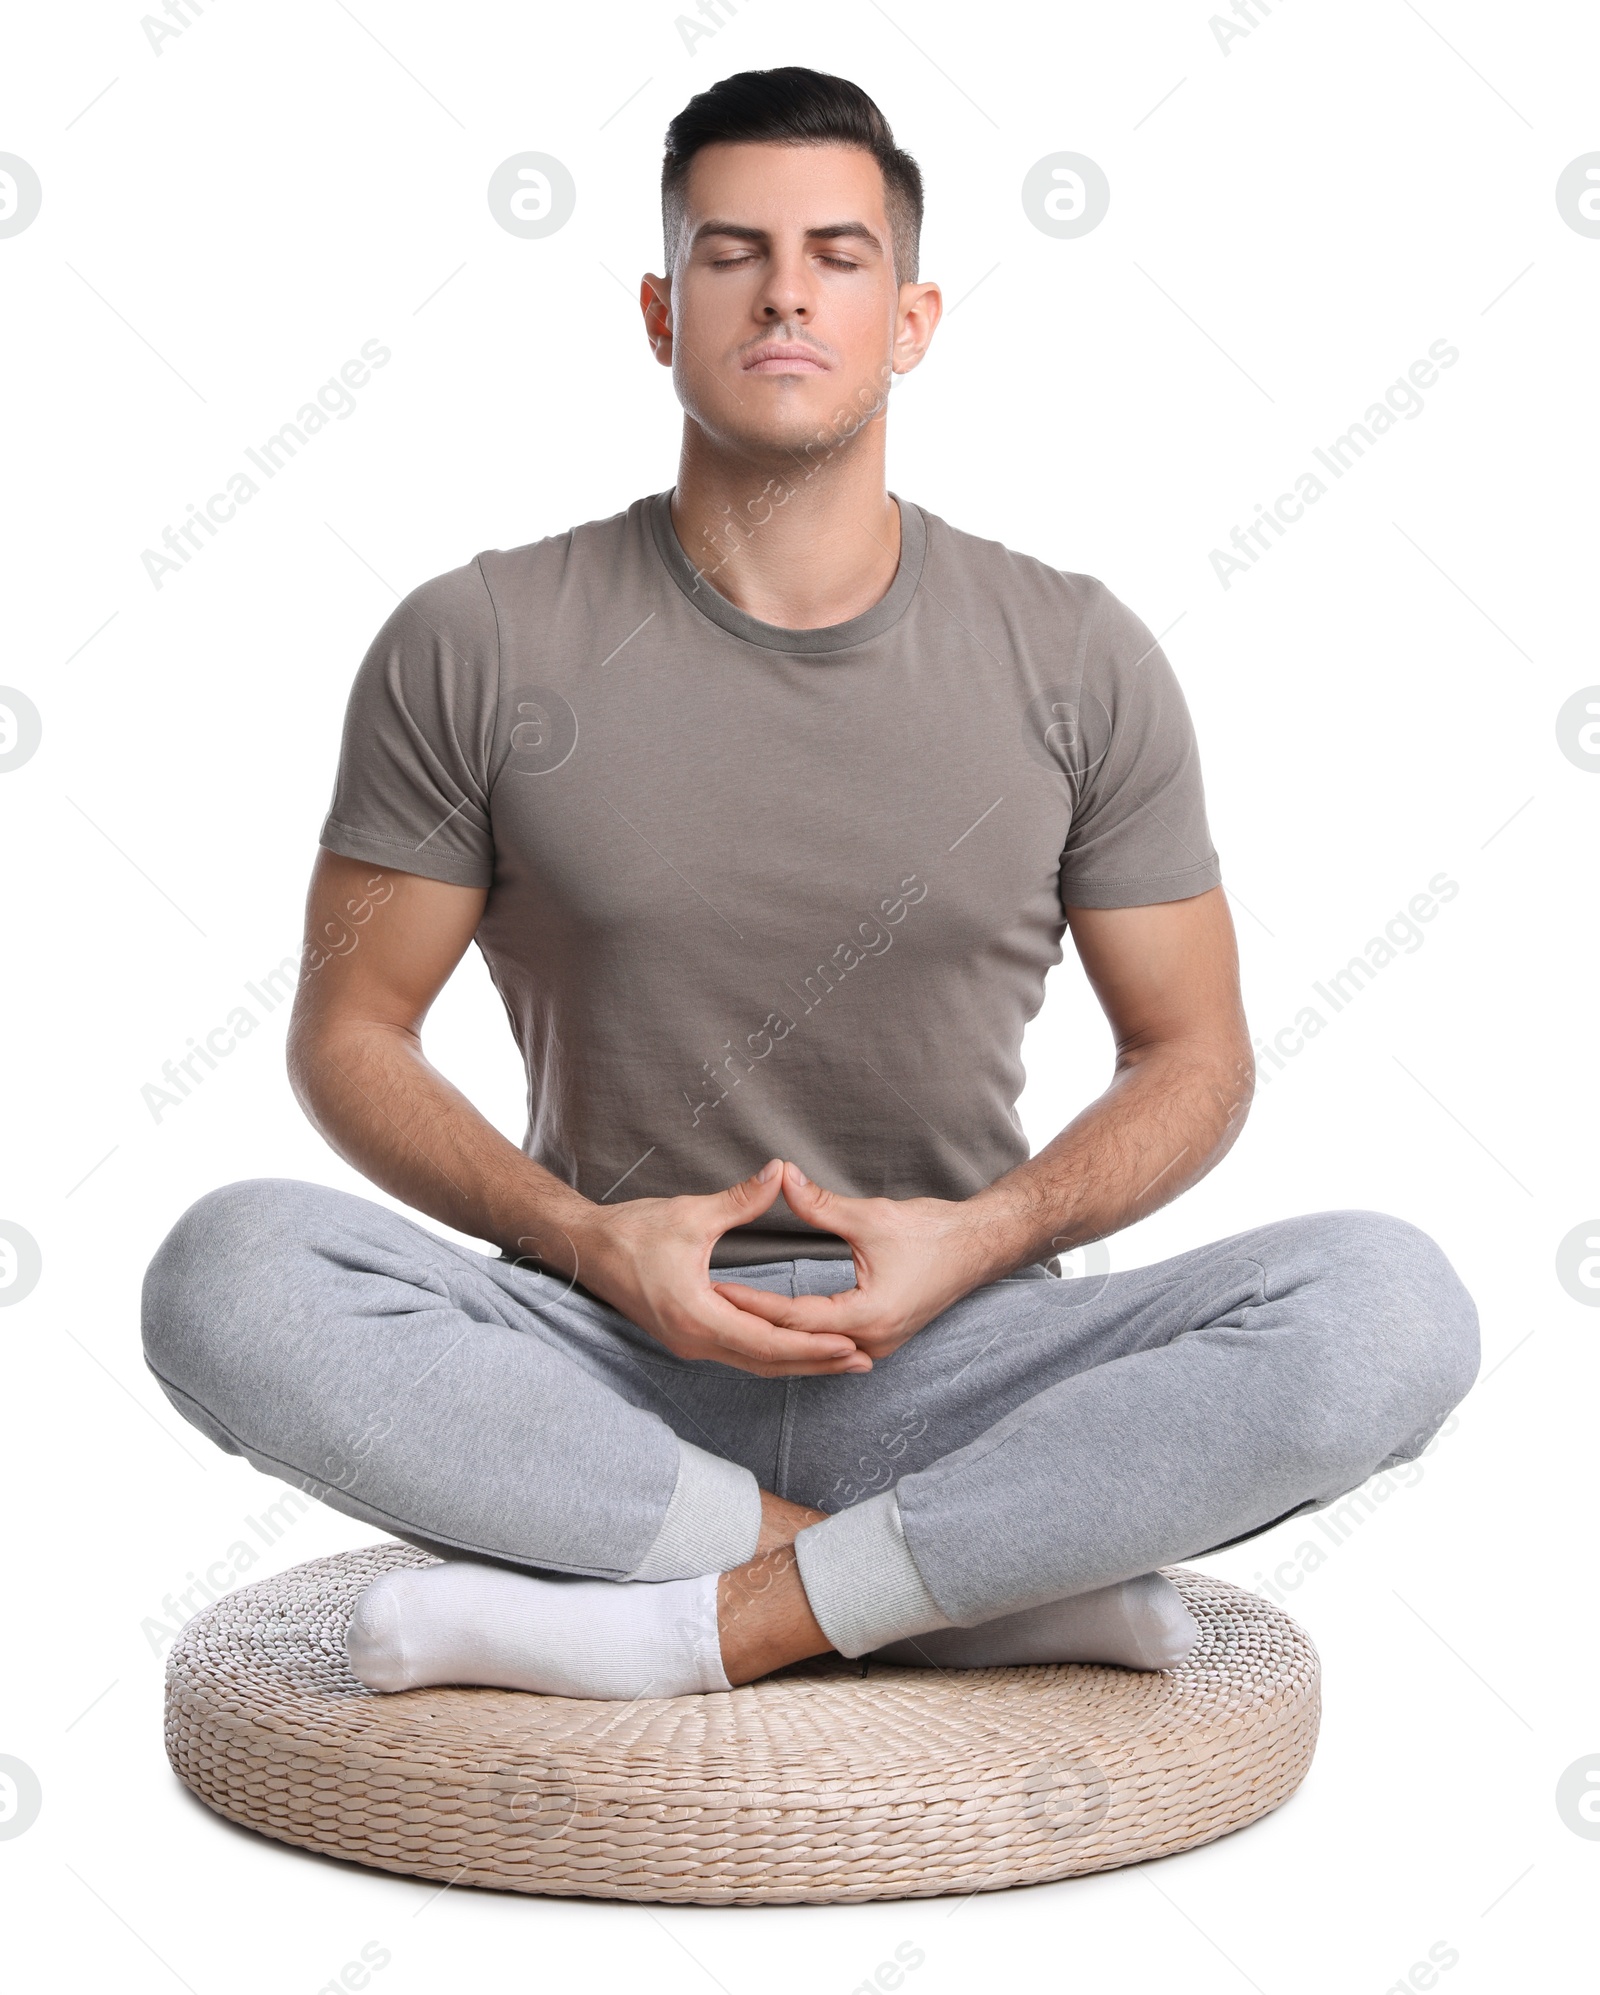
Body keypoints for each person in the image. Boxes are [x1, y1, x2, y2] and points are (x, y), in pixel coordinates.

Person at [141, 68, 1478, 1702]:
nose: (786, 288)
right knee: (226, 1272)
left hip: (958, 1348)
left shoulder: (1076, 655)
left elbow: (1195, 1058)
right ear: (659, 309)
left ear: (911, 318)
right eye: (733, 252)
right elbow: (349, 1030)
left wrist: (980, 1241)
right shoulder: (474, 639)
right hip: (599, 1355)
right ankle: (945, 1587)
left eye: (839, 255)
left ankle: (701, 1617)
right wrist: (587, 1243)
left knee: (1392, 1308)